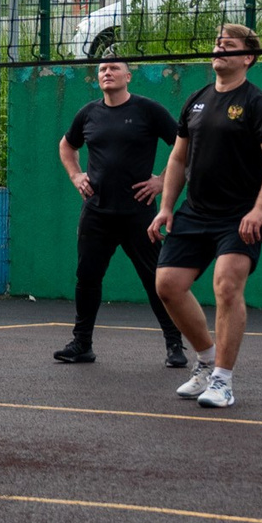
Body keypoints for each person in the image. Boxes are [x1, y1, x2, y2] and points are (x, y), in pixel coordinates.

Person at [150, 24, 262, 409]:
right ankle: (207, 363)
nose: (219, 49)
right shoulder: (195, 100)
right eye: (217, 44)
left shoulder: (258, 104)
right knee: (167, 285)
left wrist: (260, 210)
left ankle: (224, 382)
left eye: (229, 46)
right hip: (195, 211)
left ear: (248, 58)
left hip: (238, 216)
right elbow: (178, 157)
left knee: (226, 286)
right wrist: (165, 207)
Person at [54, 59, 188, 368]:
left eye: (114, 68)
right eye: (102, 69)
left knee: (158, 280)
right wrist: (76, 175)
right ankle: (82, 344)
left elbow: (184, 144)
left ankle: (175, 345)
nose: (107, 73)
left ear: (128, 76)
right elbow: (66, 146)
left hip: (138, 213)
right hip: (97, 212)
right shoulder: (88, 114)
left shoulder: (148, 110)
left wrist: (162, 179)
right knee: (87, 277)